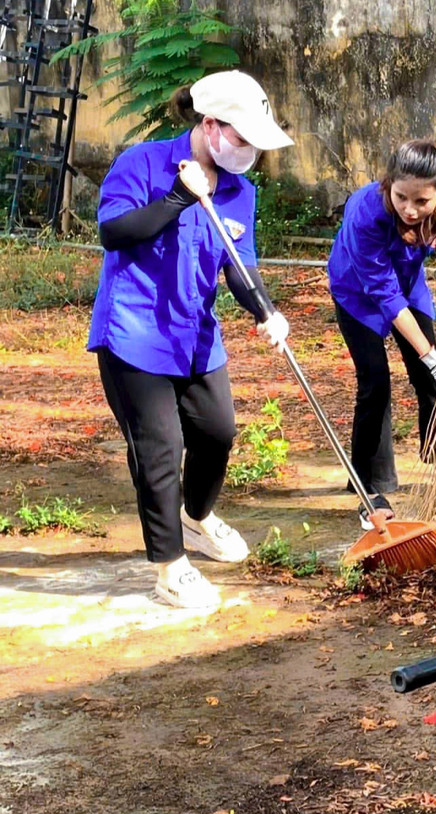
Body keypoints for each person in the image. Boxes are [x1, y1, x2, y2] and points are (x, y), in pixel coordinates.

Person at [89, 70, 294, 609]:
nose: (250, 152)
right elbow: (114, 233)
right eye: (244, 139)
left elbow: (237, 266)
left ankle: (196, 519)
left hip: (194, 332)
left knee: (218, 432)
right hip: (133, 330)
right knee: (160, 448)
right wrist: (179, 197)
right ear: (211, 125)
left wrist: (267, 311)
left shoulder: (238, 191)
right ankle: (170, 567)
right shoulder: (143, 163)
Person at [326, 139, 436, 528]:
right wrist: (428, 351)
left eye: (421, 202)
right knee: (375, 382)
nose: (410, 210)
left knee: (432, 379)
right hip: (358, 291)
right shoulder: (366, 212)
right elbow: (383, 293)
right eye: (401, 198)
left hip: (408, 285)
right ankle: (368, 488)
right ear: (388, 184)